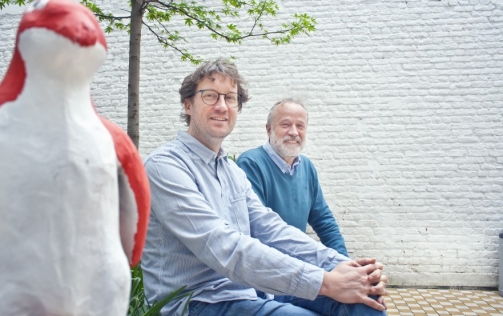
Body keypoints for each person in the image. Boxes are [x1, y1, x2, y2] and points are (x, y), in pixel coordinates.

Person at [141, 58, 388, 316]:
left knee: (366, 301)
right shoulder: (164, 167)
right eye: (210, 95)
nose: (222, 106)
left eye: (230, 98)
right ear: (188, 104)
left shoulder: (232, 171)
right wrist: (325, 283)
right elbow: (225, 247)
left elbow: (272, 229)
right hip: (197, 303)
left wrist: (353, 270)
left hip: (246, 291)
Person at [236, 98, 348, 256]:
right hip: (267, 270)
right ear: (269, 130)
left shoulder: (307, 167)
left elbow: (324, 221)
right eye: (285, 124)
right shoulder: (250, 164)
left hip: (298, 266)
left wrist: (345, 262)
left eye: (300, 126)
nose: (294, 132)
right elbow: (261, 229)